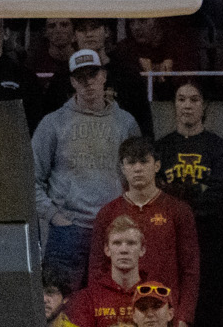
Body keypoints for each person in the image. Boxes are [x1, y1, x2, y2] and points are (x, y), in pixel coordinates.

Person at [33, 48, 142, 289]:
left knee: (109, 309)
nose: (88, 83)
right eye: (81, 77)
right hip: (67, 232)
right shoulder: (52, 123)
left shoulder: (126, 123)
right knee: (62, 310)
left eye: (93, 75)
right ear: (72, 82)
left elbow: (139, 178)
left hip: (113, 230)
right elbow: (31, 180)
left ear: (104, 76)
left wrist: (128, 217)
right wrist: (56, 217)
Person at [157, 81, 223, 327]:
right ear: (174, 105)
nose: (187, 105)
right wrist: (194, 191)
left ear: (204, 106)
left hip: (209, 236)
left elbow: (220, 196)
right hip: (169, 235)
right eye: (181, 99)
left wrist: (180, 192)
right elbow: (156, 193)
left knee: (207, 306)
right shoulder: (162, 147)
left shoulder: (219, 148)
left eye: (194, 99)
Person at [88, 138, 200, 327]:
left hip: (163, 314)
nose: (137, 168)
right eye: (131, 163)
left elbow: (190, 269)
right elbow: (97, 268)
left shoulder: (178, 210)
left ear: (157, 165)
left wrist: (184, 317)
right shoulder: (108, 213)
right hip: (118, 315)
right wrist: (98, 313)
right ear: (122, 168)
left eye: (144, 162)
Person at [70, 217, 153, 327]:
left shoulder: (155, 296)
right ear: (107, 250)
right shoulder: (87, 299)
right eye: (117, 243)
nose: (124, 250)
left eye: (131, 243)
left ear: (142, 250)